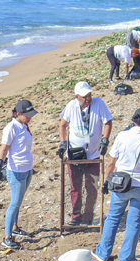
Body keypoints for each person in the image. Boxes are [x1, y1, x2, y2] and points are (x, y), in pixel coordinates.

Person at [96, 108, 140, 261]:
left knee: (113, 219)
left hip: (121, 186)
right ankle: (127, 259)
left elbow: (111, 163)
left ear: (134, 121)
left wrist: (105, 181)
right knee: (133, 224)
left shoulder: (122, 136)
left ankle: (103, 253)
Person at [57, 82, 113, 226]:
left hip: (93, 154)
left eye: (89, 95)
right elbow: (62, 125)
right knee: (75, 186)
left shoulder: (98, 103)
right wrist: (63, 143)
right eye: (84, 96)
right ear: (77, 97)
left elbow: (108, 122)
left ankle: (88, 216)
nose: (88, 98)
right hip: (75, 155)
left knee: (92, 187)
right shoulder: (71, 106)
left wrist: (105, 140)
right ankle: (76, 216)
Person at [0, 99, 37, 250]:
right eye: (27, 115)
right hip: (16, 171)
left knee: (18, 202)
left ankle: (15, 227)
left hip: (27, 169)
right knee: (14, 204)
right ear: (18, 114)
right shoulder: (11, 127)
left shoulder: (24, 126)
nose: (30, 117)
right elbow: (4, 148)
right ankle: (7, 238)